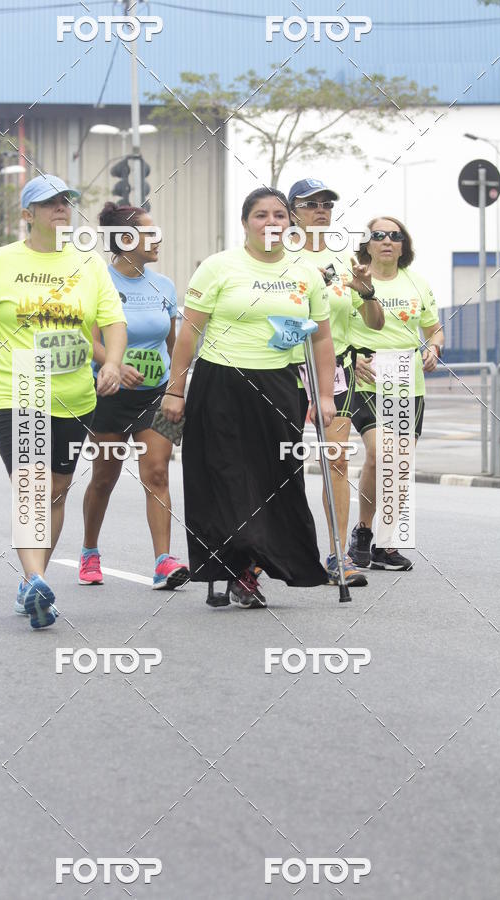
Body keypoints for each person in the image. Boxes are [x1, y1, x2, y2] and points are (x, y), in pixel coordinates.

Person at [0, 174, 127, 628]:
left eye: (65, 201)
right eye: (49, 203)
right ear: (28, 214)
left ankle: (31, 583)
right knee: (32, 488)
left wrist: (113, 363)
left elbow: (113, 322)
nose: (61, 208)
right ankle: (37, 579)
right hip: (18, 386)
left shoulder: (89, 264)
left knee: (57, 490)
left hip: (75, 396)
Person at [161, 187, 336, 609]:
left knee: (279, 481)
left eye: (279, 215)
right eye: (261, 215)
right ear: (244, 223)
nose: (271, 222)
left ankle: (251, 568)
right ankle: (230, 567)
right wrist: (175, 389)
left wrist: (325, 395)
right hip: (220, 384)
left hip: (280, 387)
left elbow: (322, 338)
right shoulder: (219, 267)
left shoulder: (306, 273)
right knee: (224, 478)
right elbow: (189, 334)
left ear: (289, 223)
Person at [80, 204, 189, 589]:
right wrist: (114, 363)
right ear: (125, 239)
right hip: (108, 395)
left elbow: (174, 345)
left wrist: (177, 389)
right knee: (104, 477)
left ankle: (163, 562)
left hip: (157, 396)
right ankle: (89, 551)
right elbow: (89, 339)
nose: (158, 239)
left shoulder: (165, 285)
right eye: (149, 233)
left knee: (157, 472)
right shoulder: (98, 282)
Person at [287, 177, 385, 587]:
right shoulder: (279, 256)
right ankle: (262, 555)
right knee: (279, 462)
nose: (321, 210)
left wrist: (366, 291)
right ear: (292, 211)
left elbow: (374, 323)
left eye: (326, 204)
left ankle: (337, 554)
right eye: (311, 204)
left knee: (337, 460)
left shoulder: (345, 259)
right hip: (282, 367)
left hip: (335, 368)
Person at [347, 217, 444, 570]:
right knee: (379, 454)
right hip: (366, 377)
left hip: (406, 381)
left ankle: (385, 544)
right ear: (367, 245)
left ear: (404, 245)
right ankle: (363, 529)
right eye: (378, 235)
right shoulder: (353, 280)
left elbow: (434, 330)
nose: (387, 240)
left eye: (395, 235)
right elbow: (335, 327)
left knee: (399, 464)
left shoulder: (417, 283)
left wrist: (434, 348)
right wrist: (351, 357)